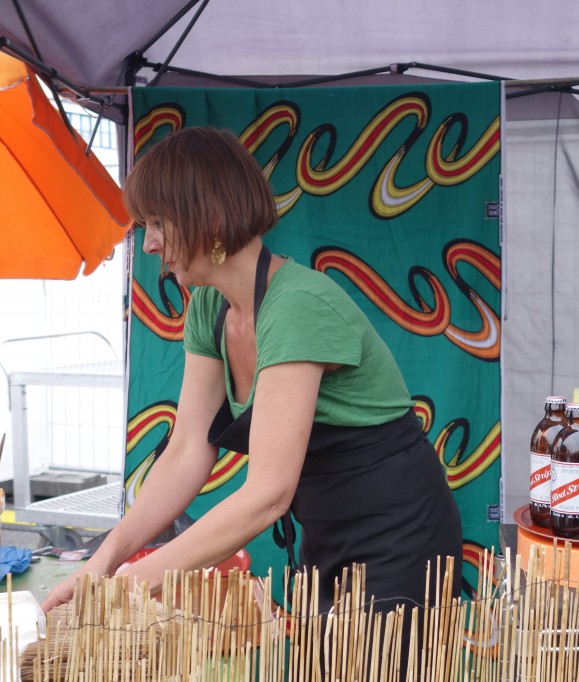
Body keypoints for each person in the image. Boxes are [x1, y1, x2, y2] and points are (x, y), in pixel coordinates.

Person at [40, 127, 464, 638]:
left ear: (211, 218)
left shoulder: (297, 306)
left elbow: (267, 493)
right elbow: (185, 452)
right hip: (327, 534)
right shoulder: (209, 307)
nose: (148, 242)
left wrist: (133, 583)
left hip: (399, 536)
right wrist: (103, 561)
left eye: (157, 223)